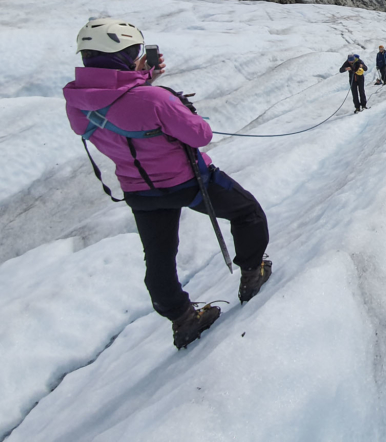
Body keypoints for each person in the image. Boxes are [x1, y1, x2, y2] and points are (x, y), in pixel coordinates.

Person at [63, 18, 272, 350]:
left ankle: (183, 319)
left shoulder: (77, 104)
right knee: (248, 213)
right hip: (188, 182)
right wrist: (157, 92)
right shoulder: (154, 99)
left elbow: (115, 107)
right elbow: (200, 134)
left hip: (139, 191)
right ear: (124, 54)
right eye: (134, 52)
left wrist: (140, 79)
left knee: (159, 258)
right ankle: (252, 273)